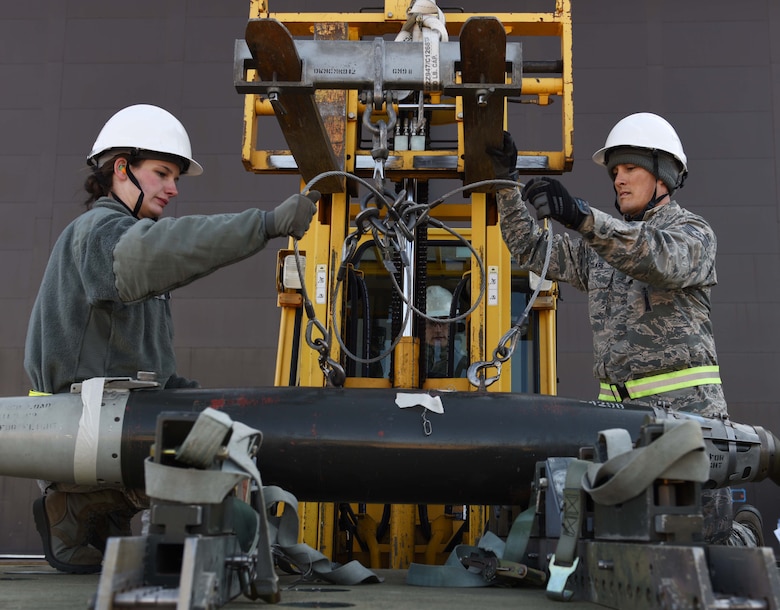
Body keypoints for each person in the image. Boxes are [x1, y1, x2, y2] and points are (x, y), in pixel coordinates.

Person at [25, 104, 320, 573]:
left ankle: (96, 511)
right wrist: (262, 226)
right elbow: (160, 251)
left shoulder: (123, 240)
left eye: (175, 176)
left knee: (218, 425)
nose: (173, 188)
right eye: (161, 173)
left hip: (105, 420)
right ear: (121, 169)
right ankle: (78, 505)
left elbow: (143, 366)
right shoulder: (101, 233)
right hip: (81, 429)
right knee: (211, 456)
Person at [489, 112, 760, 547]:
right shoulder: (602, 248)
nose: (619, 179)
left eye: (631, 168)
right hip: (621, 427)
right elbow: (533, 249)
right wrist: (505, 185)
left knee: (703, 547)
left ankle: (743, 534)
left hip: (688, 425)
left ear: (664, 175)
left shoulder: (692, 234)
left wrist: (581, 216)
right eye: (615, 171)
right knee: (625, 545)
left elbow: (654, 257)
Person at [425, 285, 467, 378]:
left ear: (454, 326)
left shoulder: (465, 366)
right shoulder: (408, 365)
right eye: (431, 323)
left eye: (444, 322)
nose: (438, 330)